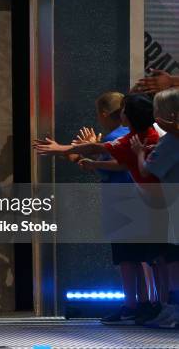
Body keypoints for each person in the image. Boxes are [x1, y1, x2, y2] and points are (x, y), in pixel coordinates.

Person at [74, 93, 154, 325]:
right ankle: (145, 303)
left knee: (125, 258)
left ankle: (131, 305)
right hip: (142, 200)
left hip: (121, 201)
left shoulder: (114, 138)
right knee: (142, 257)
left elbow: (108, 170)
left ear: (104, 114)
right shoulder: (131, 136)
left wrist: (89, 154)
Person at [130, 87, 179, 328]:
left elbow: (147, 170)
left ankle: (173, 309)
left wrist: (139, 153)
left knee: (172, 260)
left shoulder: (171, 140)